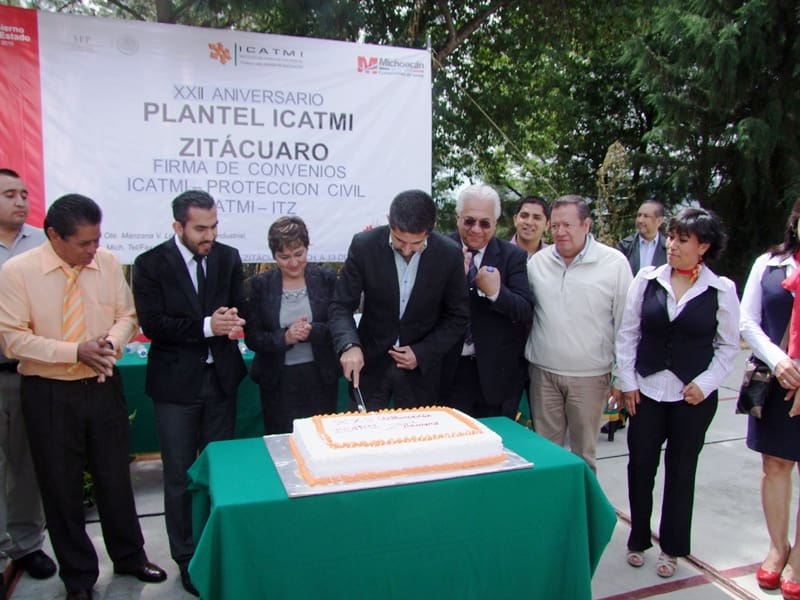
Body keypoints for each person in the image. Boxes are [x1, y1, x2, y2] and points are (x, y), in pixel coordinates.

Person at [0, 194, 166, 600]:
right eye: (84, 243)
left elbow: (127, 316)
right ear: (54, 236)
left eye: (97, 240)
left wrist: (110, 343)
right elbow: (12, 339)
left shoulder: (106, 263)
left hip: (103, 386)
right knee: (61, 488)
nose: (93, 250)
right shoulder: (18, 272)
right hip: (49, 393)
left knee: (115, 478)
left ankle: (130, 556)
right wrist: (74, 351)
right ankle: (78, 577)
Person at [132, 190, 246, 597]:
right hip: (175, 387)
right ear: (177, 226)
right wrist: (207, 326)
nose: (209, 236)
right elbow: (154, 324)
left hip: (221, 381)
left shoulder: (228, 258)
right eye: (200, 228)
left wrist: (234, 320)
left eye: (213, 226)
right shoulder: (150, 264)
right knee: (180, 476)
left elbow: (239, 306)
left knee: (218, 472)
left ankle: (217, 547)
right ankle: (186, 557)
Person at [614, 207, 739, 579]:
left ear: (704, 246)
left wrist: (706, 382)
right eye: (670, 237)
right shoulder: (647, 280)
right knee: (640, 466)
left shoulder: (721, 290)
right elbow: (628, 334)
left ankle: (672, 547)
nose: (672, 245)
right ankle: (638, 538)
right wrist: (628, 381)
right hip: (646, 392)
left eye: (683, 240)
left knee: (682, 471)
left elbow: (728, 346)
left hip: (692, 397)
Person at [329, 189, 469, 410]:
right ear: (389, 221)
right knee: (364, 430)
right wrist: (349, 345)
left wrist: (422, 352)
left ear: (430, 229)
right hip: (370, 366)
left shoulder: (449, 254)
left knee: (417, 432)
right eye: (399, 240)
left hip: (420, 374)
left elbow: (458, 316)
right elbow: (340, 306)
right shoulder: (364, 245)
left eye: (416, 243)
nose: (406, 249)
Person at [525, 195, 632, 472]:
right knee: (545, 455)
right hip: (543, 374)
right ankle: (550, 501)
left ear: (587, 225)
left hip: (590, 378)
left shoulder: (614, 264)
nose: (560, 232)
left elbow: (626, 324)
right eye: (555, 225)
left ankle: (582, 501)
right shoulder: (537, 263)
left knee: (583, 455)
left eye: (567, 225)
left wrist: (621, 376)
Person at [739, 199, 800, 597]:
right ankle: (778, 547)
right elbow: (747, 321)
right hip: (778, 377)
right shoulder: (769, 264)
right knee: (775, 464)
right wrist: (780, 362)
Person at [0, 169, 54, 599]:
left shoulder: (43, 244)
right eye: (9, 194)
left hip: (26, 372)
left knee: (25, 463)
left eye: (24, 193)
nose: (20, 201)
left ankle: (26, 544)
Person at [441, 184, 533, 418]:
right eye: (469, 221)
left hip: (496, 377)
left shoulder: (512, 256)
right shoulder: (438, 249)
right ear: (458, 218)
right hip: (447, 371)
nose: (476, 229)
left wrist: (496, 293)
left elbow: (525, 311)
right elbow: (422, 310)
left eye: (485, 223)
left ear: (496, 223)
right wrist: (453, 281)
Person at [245, 216, 338, 433]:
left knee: (320, 436)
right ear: (274, 256)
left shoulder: (326, 279)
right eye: (284, 257)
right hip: (278, 380)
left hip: (320, 377)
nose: (293, 263)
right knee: (282, 438)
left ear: (307, 248)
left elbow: (339, 325)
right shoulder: (261, 285)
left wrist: (312, 331)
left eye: (299, 254)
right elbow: (253, 337)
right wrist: (285, 337)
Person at [617, 200, 667, 274]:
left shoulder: (668, 248)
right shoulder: (625, 246)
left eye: (646, 216)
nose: (640, 220)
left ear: (659, 221)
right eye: (639, 215)